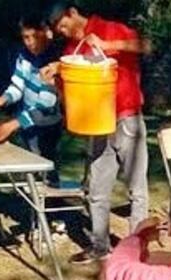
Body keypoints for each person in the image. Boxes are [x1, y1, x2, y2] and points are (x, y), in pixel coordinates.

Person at [41, 3, 150, 264]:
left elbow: (145, 45)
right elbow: (70, 100)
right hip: (96, 125)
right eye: (59, 30)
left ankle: (138, 250)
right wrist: (56, 80)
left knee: (137, 189)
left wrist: (111, 44)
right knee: (97, 190)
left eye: (64, 25)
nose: (64, 32)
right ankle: (100, 246)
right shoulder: (71, 52)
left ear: (73, 12)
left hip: (126, 117)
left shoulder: (109, 28)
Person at [0, 14, 63, 186]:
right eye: (25, 37)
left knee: (46, 170)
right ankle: (32, 210)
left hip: (47, 125)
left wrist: (13, 124)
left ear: (44, 33)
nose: (29, 42)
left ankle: (49, 208)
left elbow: (46, 105)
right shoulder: (23, 56)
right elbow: (18, 86)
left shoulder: (54, 62)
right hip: (26, 122)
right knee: (30, 170)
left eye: (34, 37)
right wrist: (3, 99)